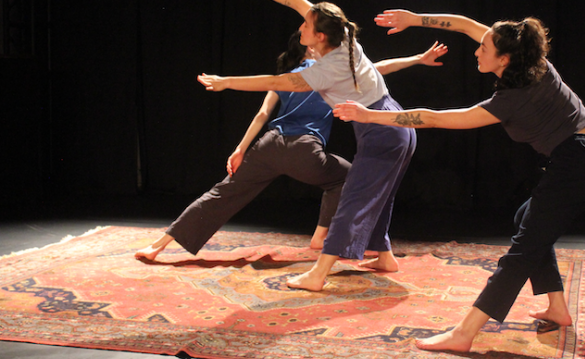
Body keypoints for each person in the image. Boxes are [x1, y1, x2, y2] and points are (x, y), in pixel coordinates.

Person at [333, 9, 585, 352]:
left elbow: (434, 119)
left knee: (524, 248)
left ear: (504, 58)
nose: (476, 50)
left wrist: (369, 115)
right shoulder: (534, 62)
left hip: (581, 163)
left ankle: (464, 334)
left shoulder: (513, 99)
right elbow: (466, 25)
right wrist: (414, 19)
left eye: (484, 49)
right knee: (525, 220)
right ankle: (557, 307)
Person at [195, 0, 448, 291]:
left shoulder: (326, 69)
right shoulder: (344, 36)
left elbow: (275, 83)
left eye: (306, 26)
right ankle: (384, 257)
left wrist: (227, 82)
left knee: (353, 199)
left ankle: (318, 274)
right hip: (394, 122)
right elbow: (297, 2)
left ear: (320, 37)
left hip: (382, 131)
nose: (301, 26)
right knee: (379, 195)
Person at [136, 29, 446, 262]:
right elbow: (381, 68)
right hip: (304, 151)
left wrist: (240, 149)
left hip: (268, 146)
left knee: (223, 193)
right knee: (350, 177)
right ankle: (320, 236)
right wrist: (418, 59)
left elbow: (261, 114)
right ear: (312, 54)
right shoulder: (331, 77)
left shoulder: (285, 78)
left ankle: (158, 246)